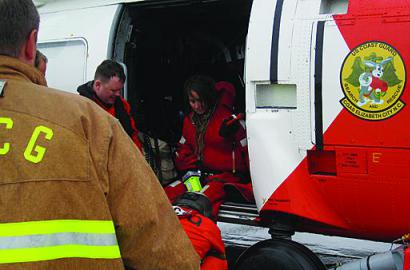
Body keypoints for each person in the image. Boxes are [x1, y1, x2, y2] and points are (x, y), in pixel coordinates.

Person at [0, 0, 199, 269]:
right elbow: (161, 249)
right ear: (31, 43)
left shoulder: (109, 115)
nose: (117, 96)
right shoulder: (90, 123)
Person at [166, 75, 253, 216]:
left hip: (224, 179)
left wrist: (253, 184)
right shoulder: (190, 121)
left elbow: (249, 153)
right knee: (165, 195)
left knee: (197, 202)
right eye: (193, 101)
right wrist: (189, 167)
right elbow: (184, 148)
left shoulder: (229, 121)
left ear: (209, 98)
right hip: (198, 176)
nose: (197, 106)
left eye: (201, 101)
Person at [77, 60, 143, 151]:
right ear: (98, 85)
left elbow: (132, 134)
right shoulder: (81, 108)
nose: (118, 94)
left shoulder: (122, 105)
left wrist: (138, 158)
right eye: (113, 90)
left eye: (119, 90)